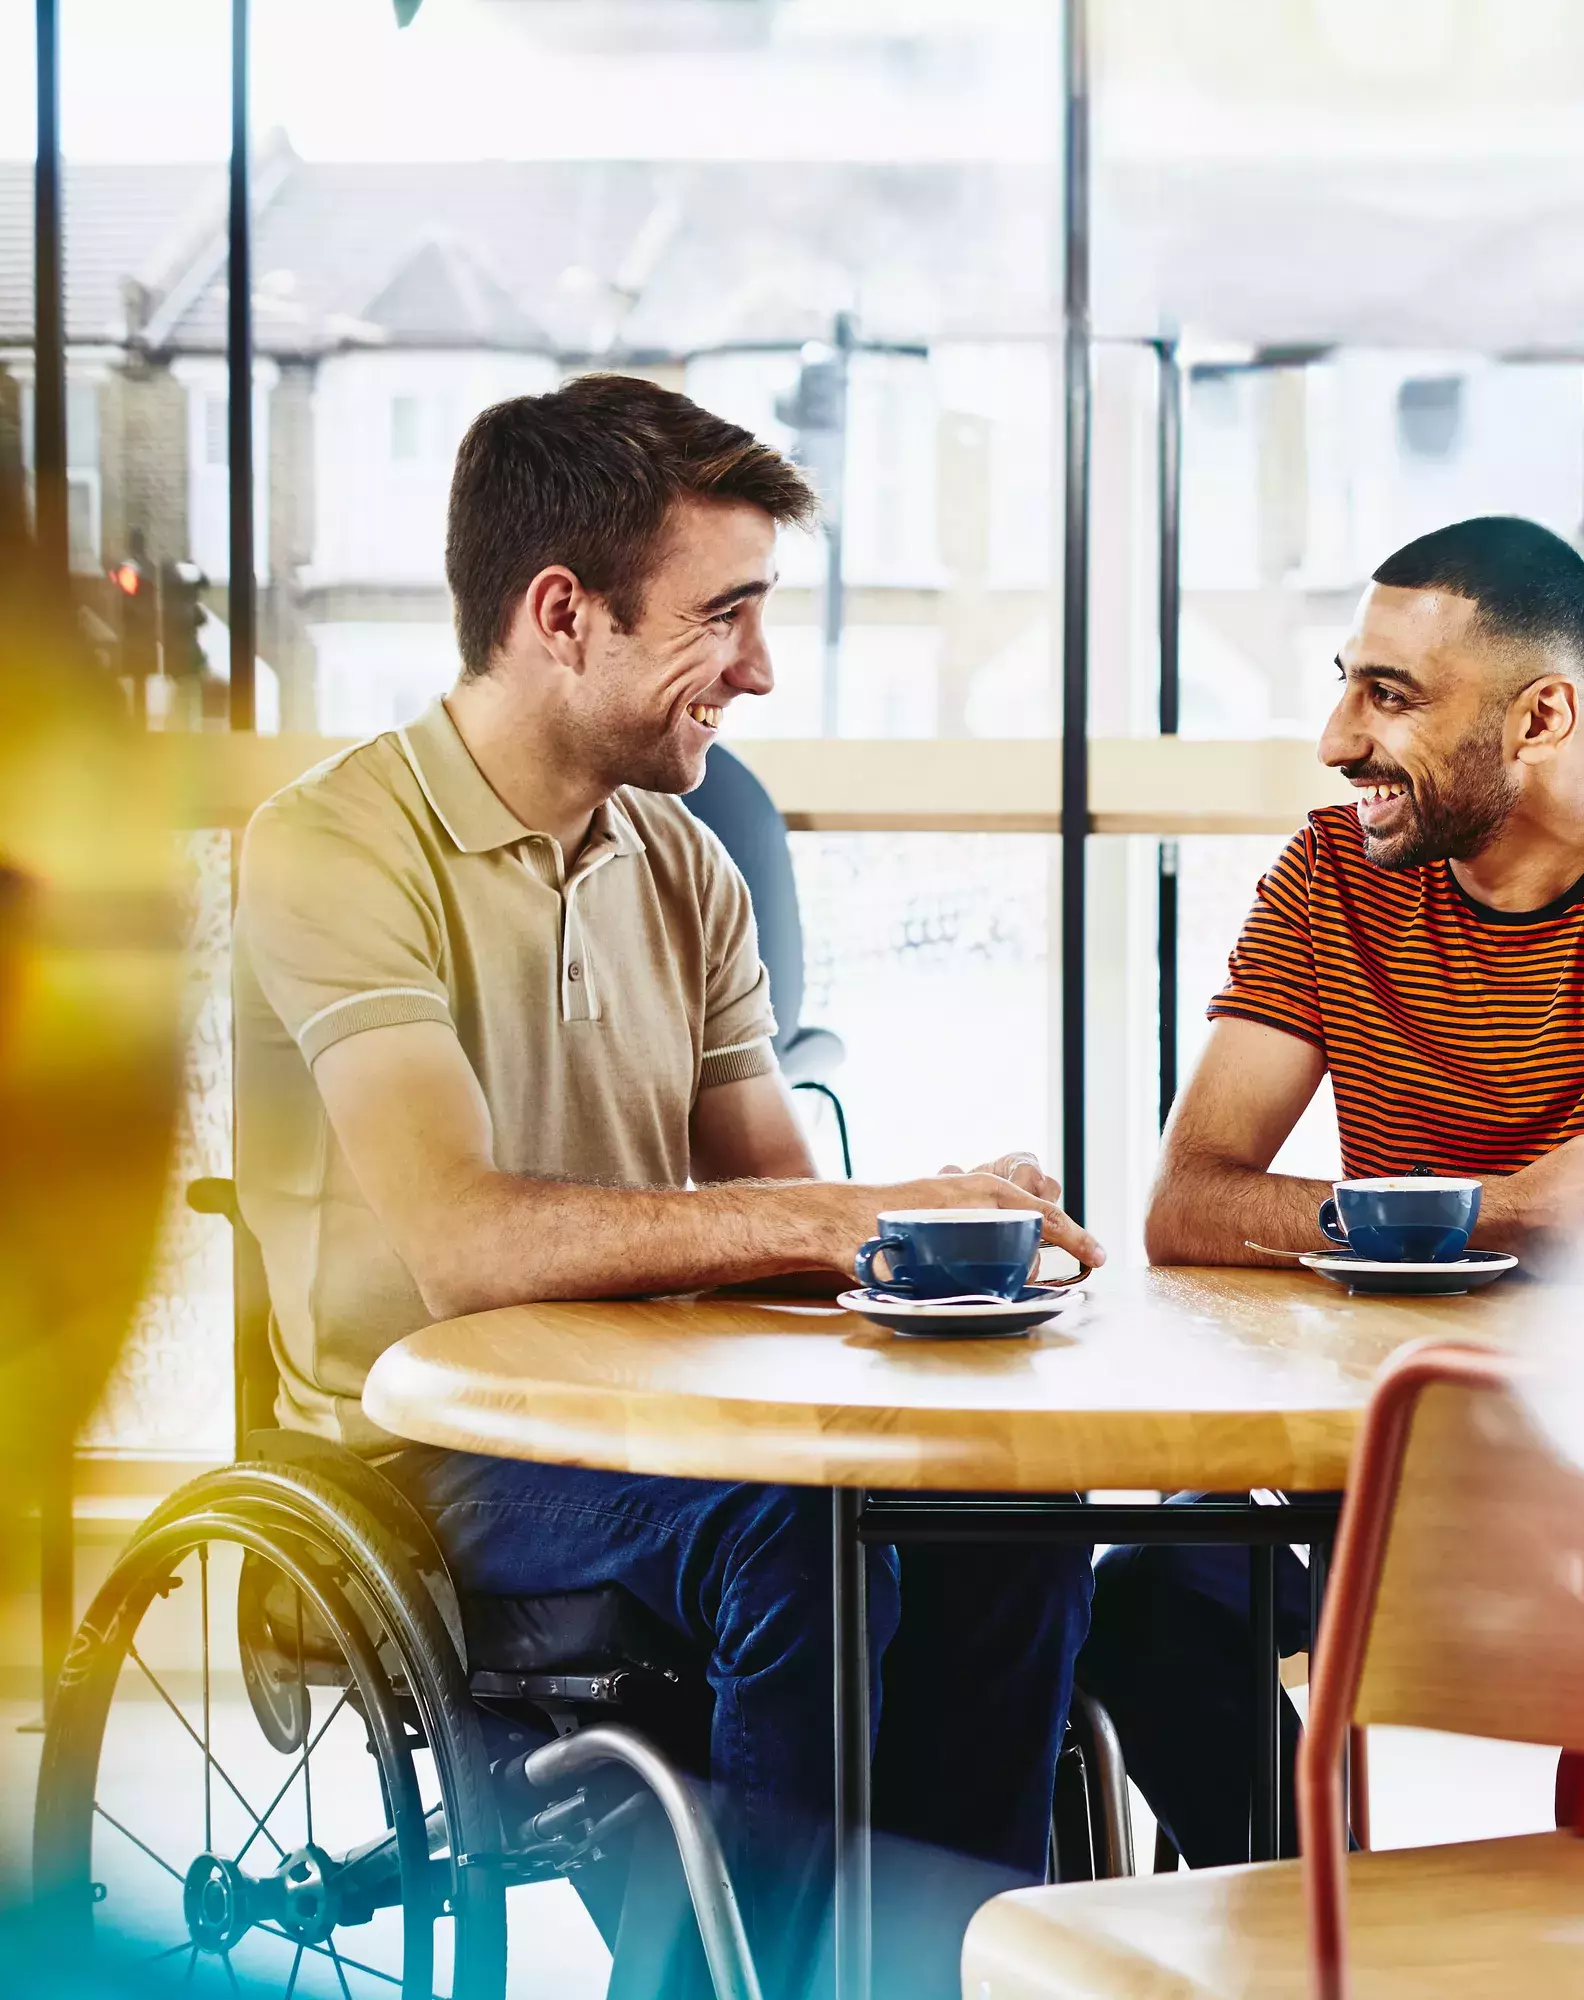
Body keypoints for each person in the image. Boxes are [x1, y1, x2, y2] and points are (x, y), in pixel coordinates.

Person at [233, 375, 1097, 1999]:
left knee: (1009, 1516)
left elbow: (777, 1211)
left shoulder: (680, 858)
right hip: (433, 1439)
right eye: (727, 616)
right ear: (563, 614)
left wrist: (937, 1233)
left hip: (663, 1420)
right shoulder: (334, 847)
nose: (758, 670)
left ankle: (920, 1970)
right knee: (789, 1543)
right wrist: (833, 1215)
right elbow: (466, 1247)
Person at [1085, 514, 1584, 1864]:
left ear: (1542, 717)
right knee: (1141, 1601)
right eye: (1346, 681)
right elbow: (1187, 1200)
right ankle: (1309, 1927)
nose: (1337, 738)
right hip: (1384, 1467)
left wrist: (1401, 1221)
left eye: (1391, 696)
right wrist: (1503, 1211)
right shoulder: (1330, 879)